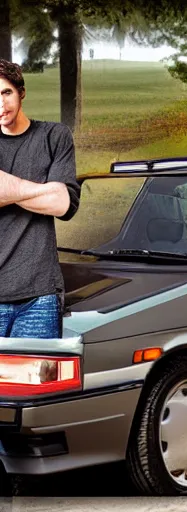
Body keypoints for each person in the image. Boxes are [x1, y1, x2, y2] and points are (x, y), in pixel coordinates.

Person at [0, 59, 81, 339]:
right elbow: (52, 196)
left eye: (5, 92)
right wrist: (43, 189)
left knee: (38, 383)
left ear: (21, 92)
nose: (0, 104)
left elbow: (62, 204)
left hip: (39, 295)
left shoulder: (54, 136)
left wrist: (9, 189)